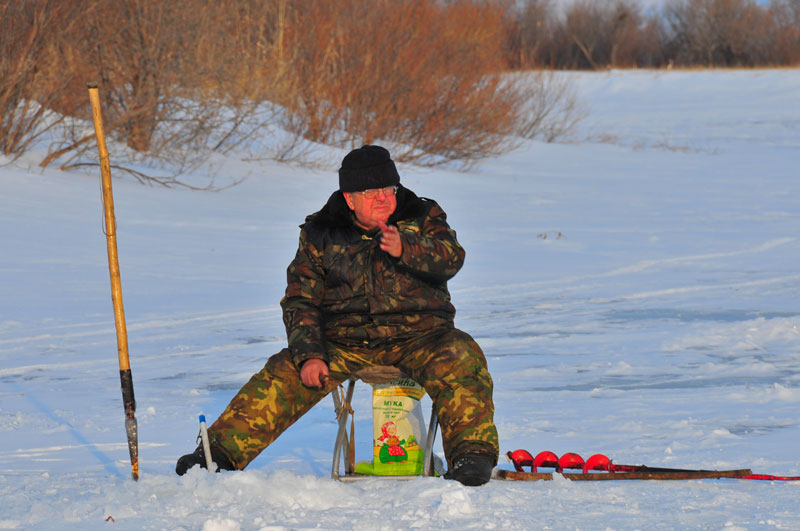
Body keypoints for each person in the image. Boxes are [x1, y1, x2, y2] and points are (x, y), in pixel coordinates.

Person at [176, 145, 499, 486]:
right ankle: (218, 454)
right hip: (346, 341)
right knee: (285, 370)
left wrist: (407, 249)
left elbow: (452, 258)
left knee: (462, 355)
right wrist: (311, 355)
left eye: (388, 190)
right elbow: (301, 300)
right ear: (350, 198)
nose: (382, 199)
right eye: (370, 192)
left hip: (421, 336)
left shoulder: (421, 216)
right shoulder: (321, 232)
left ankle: (471, 455)